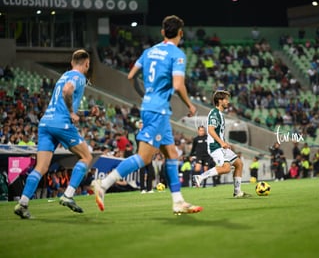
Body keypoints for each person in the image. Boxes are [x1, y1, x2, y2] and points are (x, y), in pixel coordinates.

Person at [92, 15, 203, 215]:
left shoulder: (149, 51)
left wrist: (145, 95)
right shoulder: (177, 55)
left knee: (172, 154)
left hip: (152, 107)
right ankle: (104, 184)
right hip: (158, 110)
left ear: (162, 32)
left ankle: (178, 201)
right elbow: (178, 85)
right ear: (180, 33)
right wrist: (190, 104)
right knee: (143, 158)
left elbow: (131, 75)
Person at [14, 49, 99, 219]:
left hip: (46, 123)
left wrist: (88, 113)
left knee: (42, 167)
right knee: (86, 157)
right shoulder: (79, 77)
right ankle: (68, 195)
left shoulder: (64, 76)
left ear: (71, 62)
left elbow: (65, 100)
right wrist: (71, 112)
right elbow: (68, 92)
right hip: (61, 123)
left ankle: (22, 203)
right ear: (87, 64)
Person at [192, 90, 251, 198]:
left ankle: (237, 192)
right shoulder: (214, 113)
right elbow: (210, 130)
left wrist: (224, 142)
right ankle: (200, 177)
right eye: (226, 99)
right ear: (220, 101)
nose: (228, 102)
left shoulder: (219, 113)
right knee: (226, 168)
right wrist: (222, 142)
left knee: (239, 164)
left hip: (220, 146)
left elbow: (217, 132)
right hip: (215, 146)